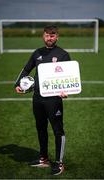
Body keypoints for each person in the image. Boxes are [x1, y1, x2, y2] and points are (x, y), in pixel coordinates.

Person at [15, 25, 71, 175]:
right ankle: (44, 159)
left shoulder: (63, 54)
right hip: (37, 98)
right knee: (41, 129)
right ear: (43, 36)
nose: (50, 38)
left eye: (53, 35)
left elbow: (69, 76)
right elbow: (26, 69)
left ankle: (59, 163)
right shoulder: (37, 53)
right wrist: (18, 84)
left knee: (58, 130)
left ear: (57, 37)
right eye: (47, 35)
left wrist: (67, 91)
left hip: (54, 100)